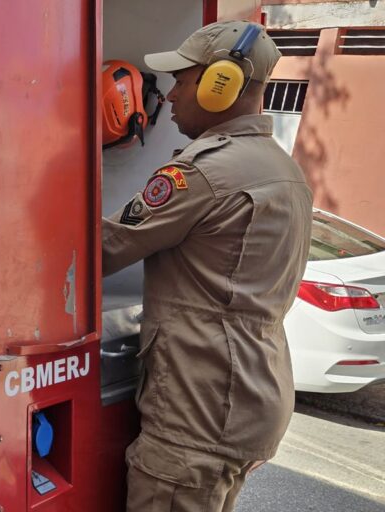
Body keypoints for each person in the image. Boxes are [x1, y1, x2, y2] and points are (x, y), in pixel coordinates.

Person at [102, 21, 313, 511]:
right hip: (247, 398)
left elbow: (105, 249)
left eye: (183, 80)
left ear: (222, 85)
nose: (171, 95)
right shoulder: (284, 169)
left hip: (199, 412)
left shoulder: (203, 173)